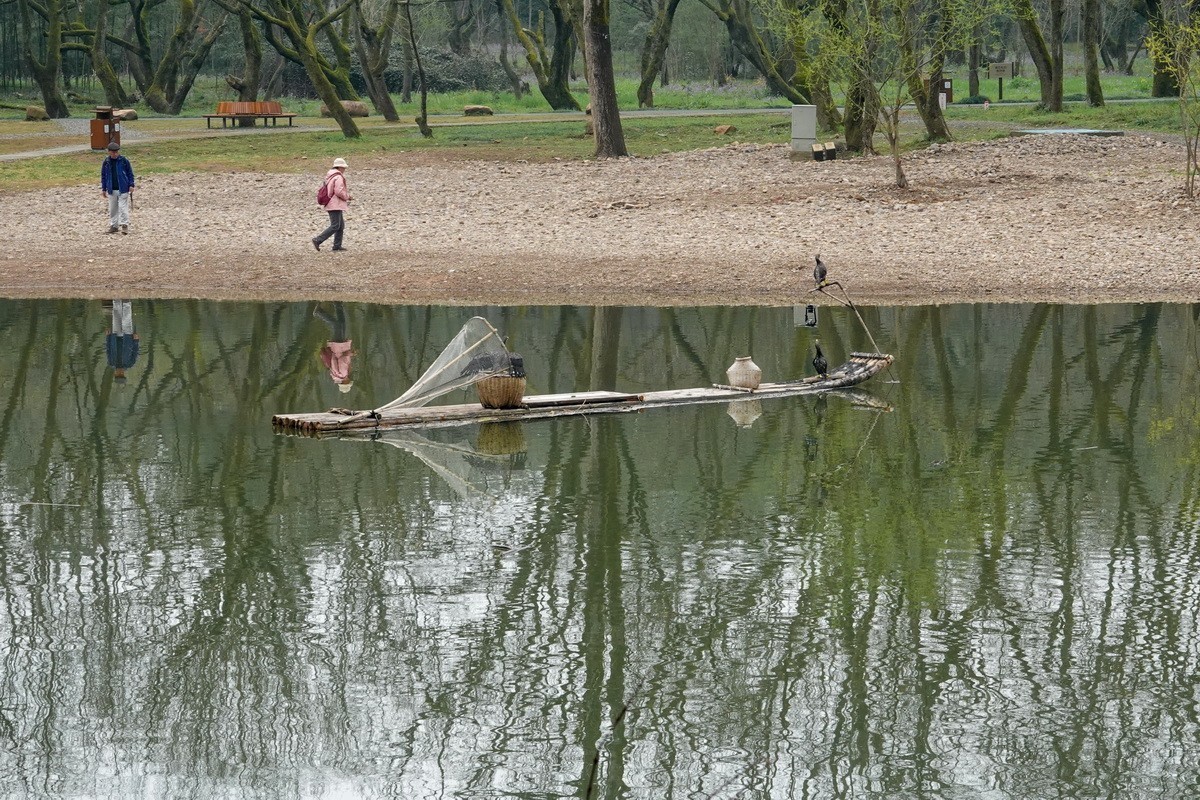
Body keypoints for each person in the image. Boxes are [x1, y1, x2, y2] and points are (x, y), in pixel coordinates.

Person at [312, 157, 352, 252]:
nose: (344, 169)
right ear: (340, 167)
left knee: (340, 225)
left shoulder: (330, 176)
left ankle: (337, 246)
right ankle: (318, 240)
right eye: (343, 167)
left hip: (332, 203)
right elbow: (339, 191)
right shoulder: (338, 177)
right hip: (335, 203)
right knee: (335, 225)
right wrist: (347, 196)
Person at [314, 301, 355, 392]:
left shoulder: (344, 373)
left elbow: (342, 359)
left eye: (348, 381)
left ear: (346, 382)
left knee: (337, 325)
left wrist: (350, 354)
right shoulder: (336, 375)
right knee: (342, 324)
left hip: (340, 347)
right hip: (336, 348)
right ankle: (337, 305)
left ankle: (319, 313)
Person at [100, 141, 135, 235]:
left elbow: (130, 173)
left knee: (123, 208)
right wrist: (103, 188)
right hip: (111, 189)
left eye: (116, 151)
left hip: (123, 188)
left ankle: (124, 225)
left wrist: (131, 184)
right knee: (113, 209)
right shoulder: (106, 162)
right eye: (113, 152)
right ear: (109, 152)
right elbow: (103, 175)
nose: (115, 153)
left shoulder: (124, 161)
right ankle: (114, 226)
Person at [105, 299, 140, 383]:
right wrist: (136, 340)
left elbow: (108, 349)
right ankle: (126, 301)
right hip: (128, 338)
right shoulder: (130, 364)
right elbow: (135, 352)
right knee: (127, 318)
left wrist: (108, 336)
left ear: (115, 374)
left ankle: (116, 299)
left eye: (118, 375)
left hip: (114, 337)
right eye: (122, 374)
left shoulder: (111, 363)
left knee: (116, 316)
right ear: (124, 374)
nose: (120, 373)